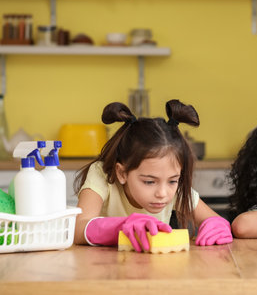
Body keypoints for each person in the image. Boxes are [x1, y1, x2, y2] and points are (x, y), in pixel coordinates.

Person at [74, 100, 232, 251]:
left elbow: (214, 220)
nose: (162, 193)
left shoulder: (172, 188)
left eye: (173, 181)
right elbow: (77, 228)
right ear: (122, 173)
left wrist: (217, 225)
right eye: (149, 182)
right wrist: (121, 226)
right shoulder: (103, 174)